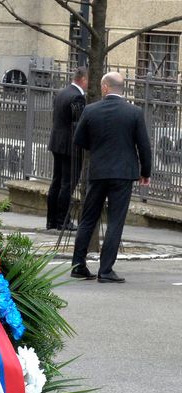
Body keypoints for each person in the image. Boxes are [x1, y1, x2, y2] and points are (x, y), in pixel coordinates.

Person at [70, 71, 152, 284]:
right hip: (123, 174)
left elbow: (79, 140)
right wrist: (146, 172)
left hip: (98, 172)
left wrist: (97, 149)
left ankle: (78, 265)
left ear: (105, 87)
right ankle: (106, 269)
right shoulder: (134, 112)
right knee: (116, 221)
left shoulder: (90, 110)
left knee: (88, 218)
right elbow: (144, 145)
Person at [46, 67, 88, 231]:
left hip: (57, 143)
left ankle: (51, 220)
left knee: (56, 182)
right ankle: (63, 220)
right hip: (70, 146)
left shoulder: (62, 93)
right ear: (83, 80)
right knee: (67, 184)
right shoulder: (77, 97)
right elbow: (79, 125)